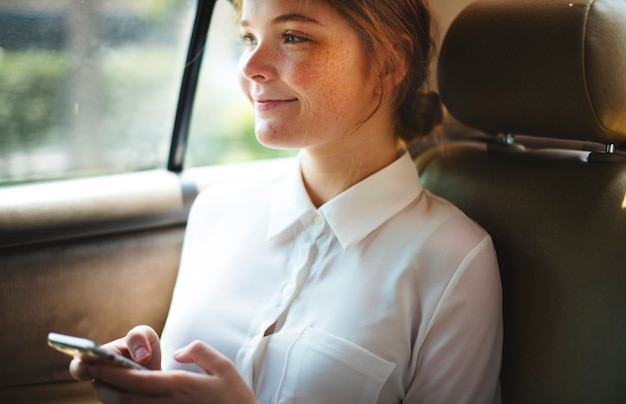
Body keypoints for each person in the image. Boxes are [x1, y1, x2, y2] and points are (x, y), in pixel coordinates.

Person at [70, 0, 503, 402]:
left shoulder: (454, 261)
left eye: (293, 37)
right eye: (248, 38)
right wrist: (148, 379)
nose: (250, 67)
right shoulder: (216, 213)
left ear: (389, 63)